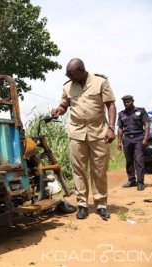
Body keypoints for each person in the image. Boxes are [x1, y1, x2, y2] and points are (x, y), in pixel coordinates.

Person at [51, 58, 116, 221]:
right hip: (76, 132)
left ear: (81, 71)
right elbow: (64, 105)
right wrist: (58, 110)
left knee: (99, 169)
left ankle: (101, 205)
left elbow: (111, 105)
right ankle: (82, 205)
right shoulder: (67, 86)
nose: (70, 78)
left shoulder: (100, 82)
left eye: (72, 75)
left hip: (98, 131)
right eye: (68, 76)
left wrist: (111, 128)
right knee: (78, 170)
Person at [117, 95, 150, 191]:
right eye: (124, 102)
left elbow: (146, 125)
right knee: (129, 160)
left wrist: (145, 138)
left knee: (139, 159)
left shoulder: (141, 111)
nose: (126, 104)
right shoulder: (121, 114)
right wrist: (119, 141)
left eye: (128, 102)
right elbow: (120, 128)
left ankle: (140, 182)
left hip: (139, 138)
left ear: (132, 101)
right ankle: (131, 180)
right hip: (126, 139)